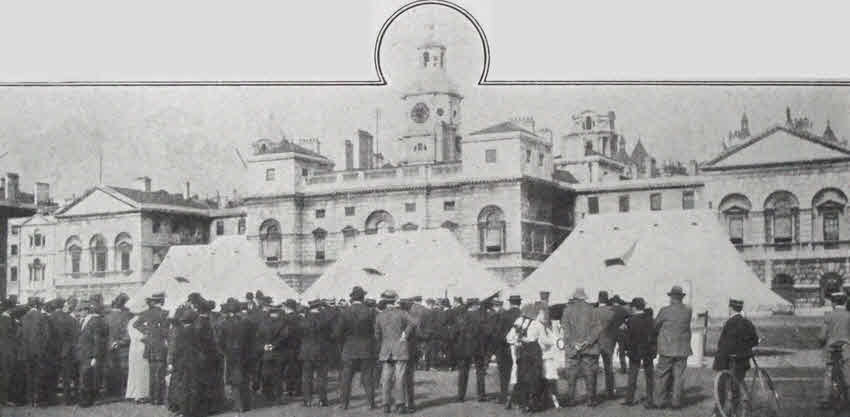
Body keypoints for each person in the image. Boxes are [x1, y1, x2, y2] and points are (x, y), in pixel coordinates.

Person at [713, 298, 759, 415]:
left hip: (728, 360)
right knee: (736, 386)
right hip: (742, 360)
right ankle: (737, 411)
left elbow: (723, 344)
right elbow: (754, 340)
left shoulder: (729, 323)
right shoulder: (747, 322)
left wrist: (719, 361)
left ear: (730, 308)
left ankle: (719, 412)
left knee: (722, 387)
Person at [650, 285, 692, 410]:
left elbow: (655, 326)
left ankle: (658, 402)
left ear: (671, 297)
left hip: (667, 349)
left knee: (661, 375)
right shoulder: (688, 311)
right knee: (679, 376)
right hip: (683, 349)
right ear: (681, 297)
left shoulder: (665, 310)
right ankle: (676, 403)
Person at [336, 286, 378, 410]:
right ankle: (371, 403)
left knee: (346, 378)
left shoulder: (344, 312)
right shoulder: (370, 312)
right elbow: (374, 331)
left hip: (349, 349)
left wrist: (344, 343)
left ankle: (344, 404)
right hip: (366, 348)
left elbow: (338, 333)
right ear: (363, 297)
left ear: (352, 298)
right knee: (367, 377)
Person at [561, 287, 603, 407]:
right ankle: (591, 399)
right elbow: (598, 328)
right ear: (584, 298)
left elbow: (565, 329)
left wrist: (574, 343)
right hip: (589, 348)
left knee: (571, 375)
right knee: (590, 374)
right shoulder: (592, 310)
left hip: (572, 348)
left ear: (574, 298)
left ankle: (571, 399)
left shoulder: (567, 310)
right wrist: (587, 341)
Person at [375, 290, 414, 413]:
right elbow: (413, 323)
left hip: (386, 349)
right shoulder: (402, 313)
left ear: (385, 302)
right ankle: (400, 404)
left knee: (386, 378)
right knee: (400, 377)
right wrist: (405, 334)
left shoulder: (379, 315)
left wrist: (383, 341)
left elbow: (377, 334)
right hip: (400, 348)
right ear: (395, 300)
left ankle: (385, 404)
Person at [216, 299, 253, 412]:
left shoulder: (224, 324)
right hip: (245, 354)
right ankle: (247, 404)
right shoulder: (247, 322)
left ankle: (239, 406)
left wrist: (224, 352)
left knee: (234, 380)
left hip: (231, 354)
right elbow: (251, 340)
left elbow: (219, 342)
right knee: (245, 378)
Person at [134, 292, 170, 406]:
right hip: (161, 346)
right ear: (161, 301)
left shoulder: (146, 313)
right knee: (160, 373)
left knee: (152, 372)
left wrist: (147, 332)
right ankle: (159, 398)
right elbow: (166, 332)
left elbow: (136, 324)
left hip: (150, 346)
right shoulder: (165, 313)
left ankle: (153, 397)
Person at [622, 297, 656, 407]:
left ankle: (629, 400)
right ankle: (650, 400)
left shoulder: (630, 320)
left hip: (634, 351)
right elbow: (655, 336)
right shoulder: (651, 319)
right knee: (649, 376)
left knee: (632, 375)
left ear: (635, 307)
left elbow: (627, 338)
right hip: (648, 350)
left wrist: (626, 349)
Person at [818, 291, 850, 408]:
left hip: (831, 348)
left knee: (828, 373)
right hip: (846, 348)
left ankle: (825, 399)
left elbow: (822, 336)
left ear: (833, 303)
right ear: (845, 301)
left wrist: (821, 343)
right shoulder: (848, 316)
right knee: (847, 373)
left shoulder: (828, 316)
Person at [596, 290, 630, 400]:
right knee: (608, 367)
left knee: (592, 368)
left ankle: (592, 393)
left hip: (595, 342)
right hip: (609, 341)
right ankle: (610, 392)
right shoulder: (612, 312)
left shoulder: (593, 311)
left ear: (598, 299)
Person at [454, 298, 488, 403]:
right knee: (480, 371)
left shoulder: (461, 317)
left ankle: (460, 396)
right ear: (474, 305)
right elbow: (486, 333)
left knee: (463, 371)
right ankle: (481, 395)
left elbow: (456, 332)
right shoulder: (482, 316)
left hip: (464, 347)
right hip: (478, 347)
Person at [299, 299, 333, 407]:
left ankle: (307, 400)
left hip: (307, 351)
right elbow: (330, 335)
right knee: (322, 377)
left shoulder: (304, 321)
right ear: (319, 308)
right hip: (321, 351)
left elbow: (298, 335)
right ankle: (322, 400)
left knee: (306, 377)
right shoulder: (325, 320)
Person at [76, 300, 108, 407]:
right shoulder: (84, 321)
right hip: (83, 353)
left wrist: (95, 356)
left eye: (80, 311)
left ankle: (86, 400)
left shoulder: (94, 322)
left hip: (89, 354)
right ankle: (85, 399)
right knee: (85, 377)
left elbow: (97, 340)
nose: (79, 313)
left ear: (86, 311)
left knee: (86, 377)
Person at [21, 297, 49, 407]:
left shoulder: (24, 317)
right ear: (38, 305)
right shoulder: (42, 316)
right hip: (39, 351)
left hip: (27, 351)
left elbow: (21, 335)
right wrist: (43, 348)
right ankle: (38, 399)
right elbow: (47, 335)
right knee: (39, 375)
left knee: (29, 375)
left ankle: (30, 399)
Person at [494, 295, 522, 405]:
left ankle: (503, 396)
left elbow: (498, 332)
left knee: (504, 373)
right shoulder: (523, 314)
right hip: (520, 347)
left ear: (510, 303)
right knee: (519, 371)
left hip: (504, 347)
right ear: (519, 303)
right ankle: (518, 396)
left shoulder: (504, 314)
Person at [105, 293, 133, 398]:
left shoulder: (106, 316)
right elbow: (129, 333)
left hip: (108, 345)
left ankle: (110, 391)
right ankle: (121, 391)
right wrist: (119, 342)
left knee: (110, 369)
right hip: (122, 346)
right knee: (122, 370)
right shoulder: (127, 316)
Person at [125, 312, 149, 402]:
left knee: (133, 370)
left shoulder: (130, 321)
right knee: (141, 370)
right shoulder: (140, 322)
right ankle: (140, 394)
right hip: (141, 347)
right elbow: (142, 337)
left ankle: (131, 393)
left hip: (133, 348)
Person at [0, 299, 17, 406]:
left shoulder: (2, 318)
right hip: (7, 350)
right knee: (7, 374)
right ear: (11, 308)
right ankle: (4, 399)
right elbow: (11, 336)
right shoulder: (7, 319)